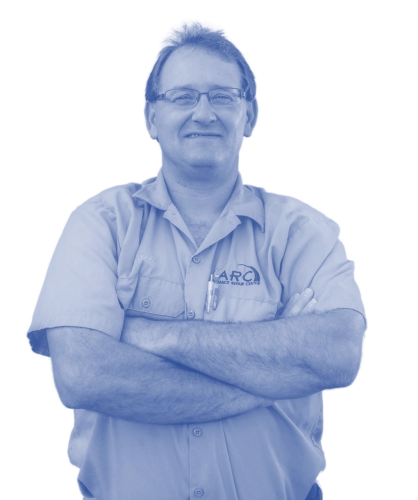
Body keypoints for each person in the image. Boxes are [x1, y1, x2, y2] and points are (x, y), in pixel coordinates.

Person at [26, 18, 367, 500]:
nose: (203, 113)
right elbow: (83, 374)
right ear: (150, 117)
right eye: (183, 96)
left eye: (222, 97)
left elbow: (339, 354)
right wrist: (271, 375)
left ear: (250, 116)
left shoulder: (303, 231)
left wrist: (145, 334)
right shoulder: (98, 223)